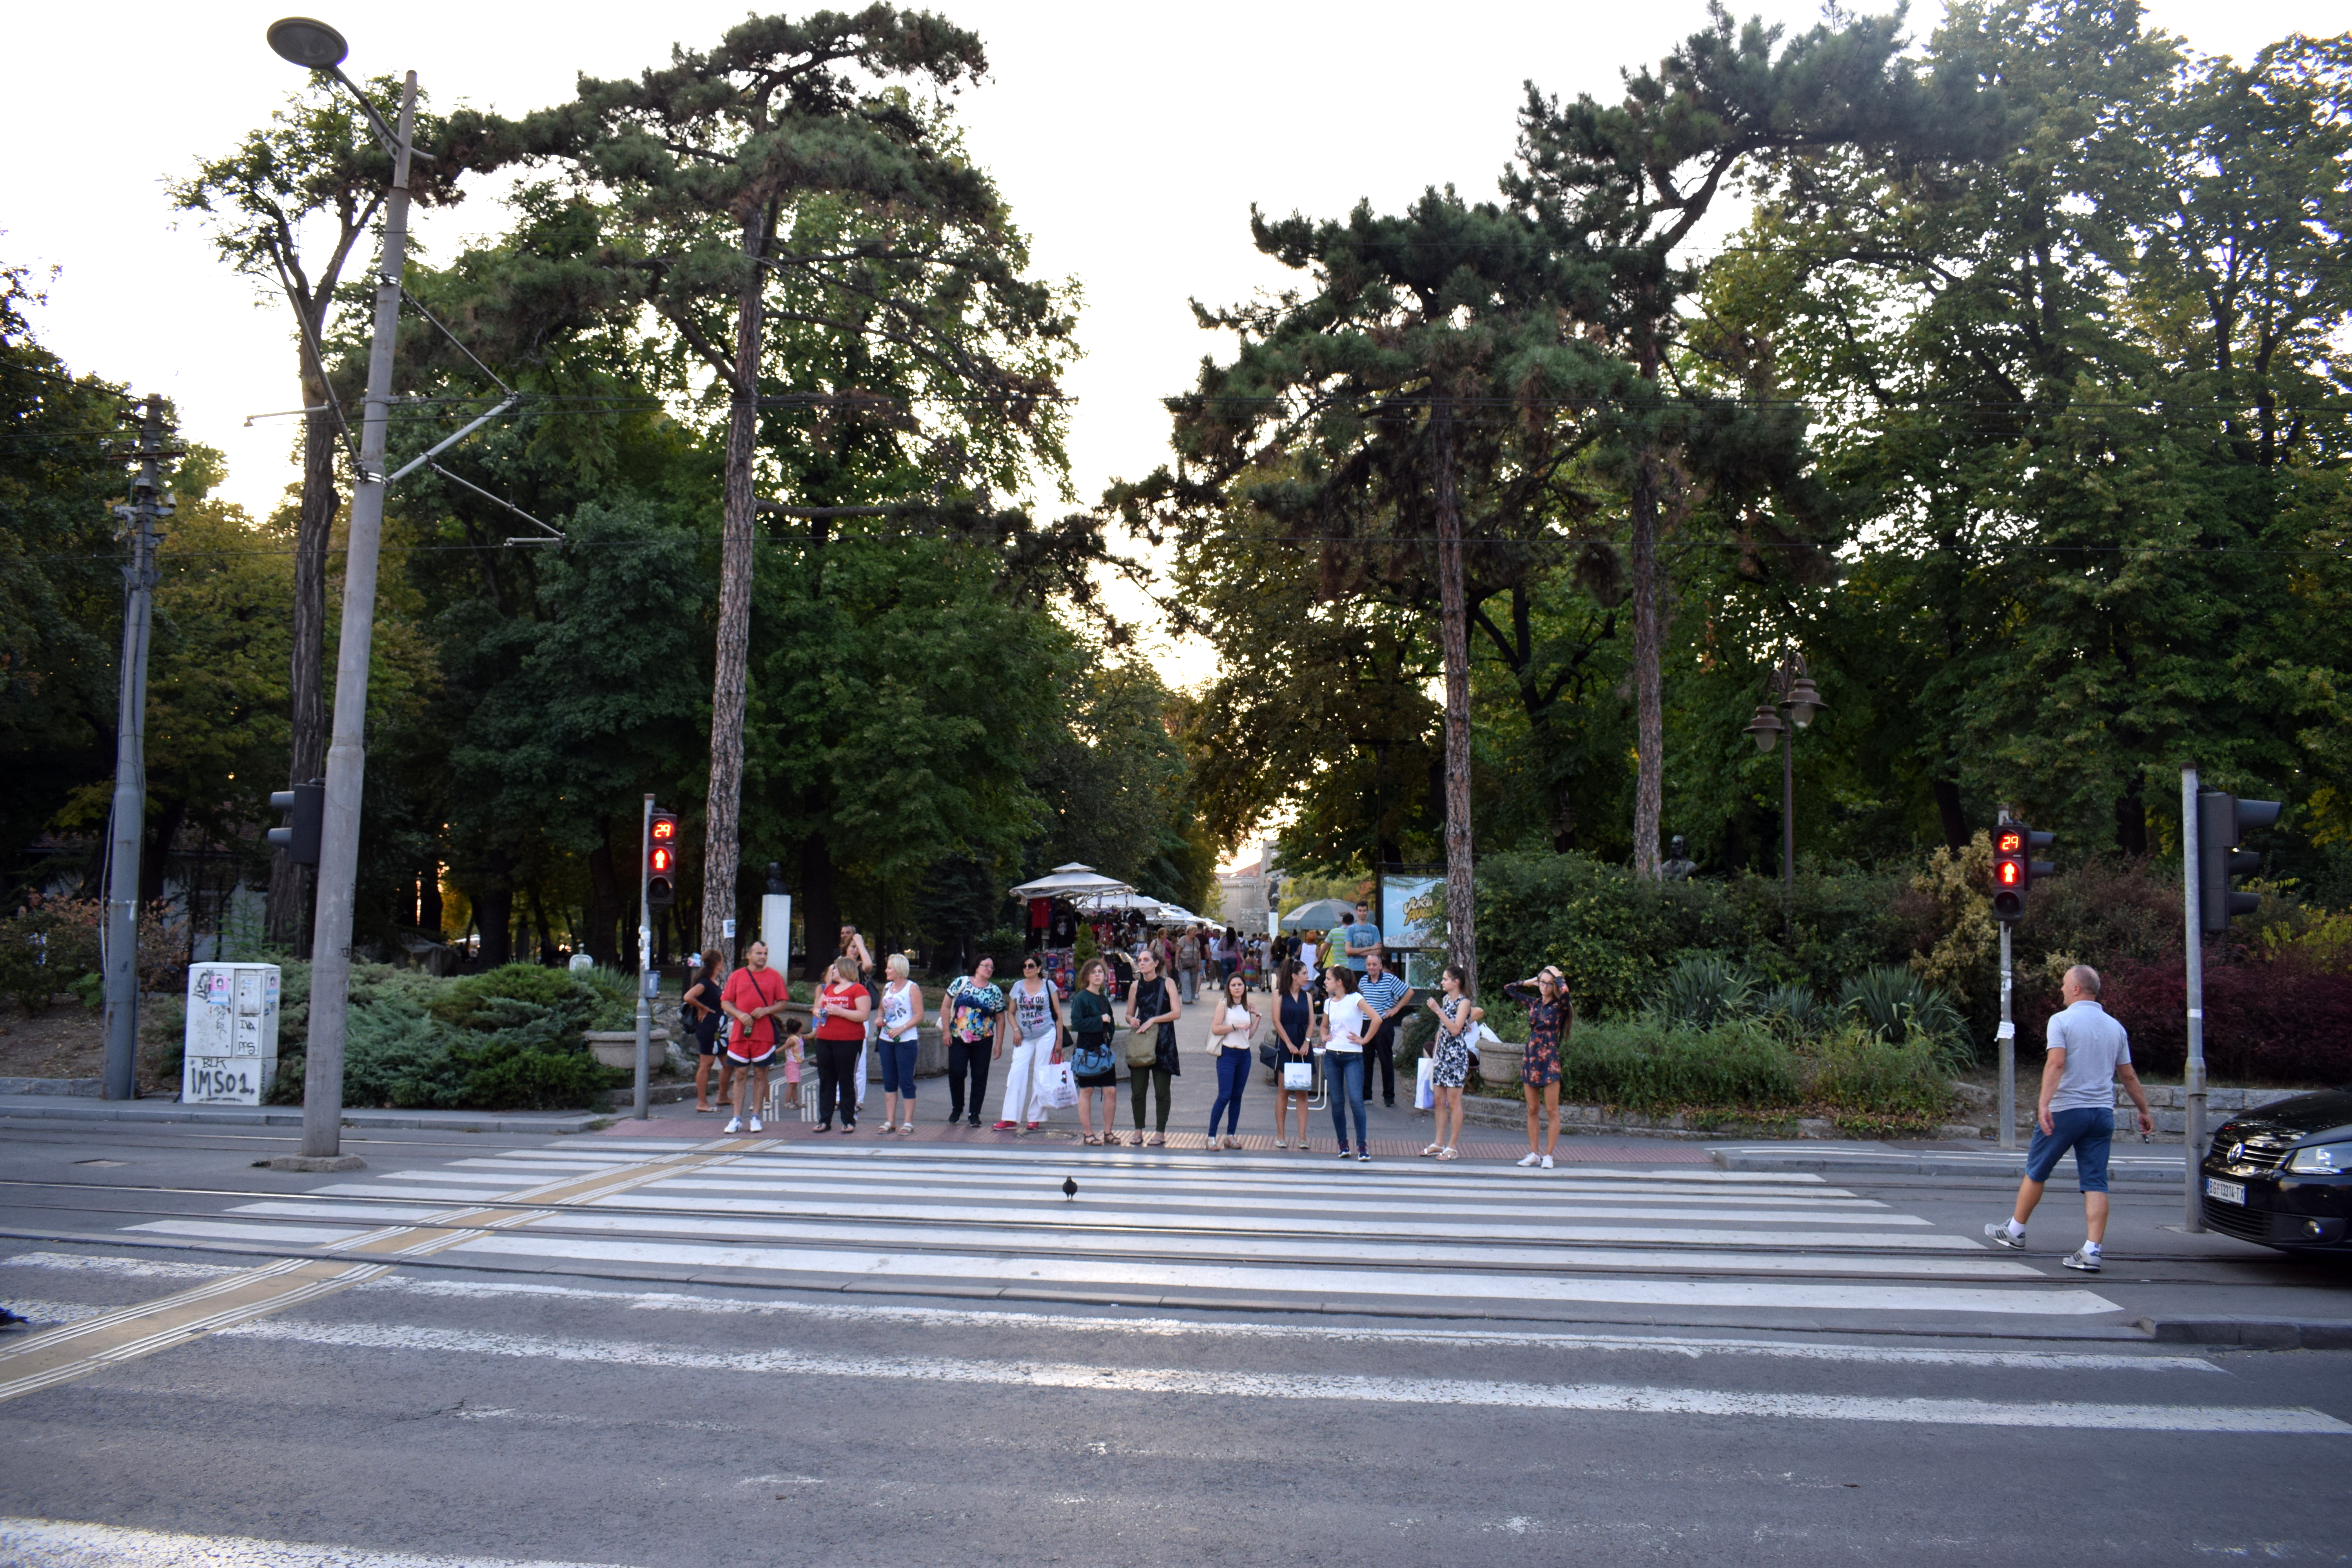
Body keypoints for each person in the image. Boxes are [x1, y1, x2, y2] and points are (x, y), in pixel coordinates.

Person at [1986, 964, 2154, 1272]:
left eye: (2064, 985)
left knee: (2037, 1169)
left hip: (2066, 1111)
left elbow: (2056, 1064)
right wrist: (2143, 1110)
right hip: (2102, 1114)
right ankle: (2092, 1250)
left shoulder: (2061, 1021)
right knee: (2096, 1181)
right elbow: (2128, 1076)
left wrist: (2043, 1104)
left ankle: (2015, 1230)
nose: (2061, 990)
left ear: (2077, 989)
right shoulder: (2116, 1028)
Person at [1504, 964, 1573, 1169]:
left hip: (1549, 1059)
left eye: (1549, 983)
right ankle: (1534, 1153)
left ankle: (1549, 1155)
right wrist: (1529, 982)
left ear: (1555, 985)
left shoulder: (1560, 1005)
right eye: (1542, 982)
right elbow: (1509, 989)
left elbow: (1566, 993)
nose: (1545, 986)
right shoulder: (1534, 1003)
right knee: (1532, 1109)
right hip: (1531, 1058)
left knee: (1552, 1110)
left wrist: (1559, 975)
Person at [718, 940, 789, 1134]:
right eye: (759, 953)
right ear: (748, 955)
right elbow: (725, 1002)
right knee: (740, 1074)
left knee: (761, 1074)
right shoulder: (738, 976)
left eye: (765, 953)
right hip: (741, 1034)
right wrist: (740, 1015)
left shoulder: (774, 977)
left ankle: (756, 1117)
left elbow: (783, 1002)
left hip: (764, 1034)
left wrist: (766, 1010)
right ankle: (736, 1118)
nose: (763, 957)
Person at [994, 953, 1063, 1132]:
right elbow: (1010, 1012)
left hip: (1046, 1033)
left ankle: (1035, 1117)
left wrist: (1059, 1040)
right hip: (1024, 1037)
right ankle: (1009, 1118)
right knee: (1017, 1072)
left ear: (1039, 968)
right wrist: (1016, 1030)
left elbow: (1058, 1013)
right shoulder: (1018, 987)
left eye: (1031, 966)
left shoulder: (1049, 985)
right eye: (1024, 966)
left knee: (1041, 1074)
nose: (1027, 969)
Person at [1421, 965, 1482, 1160]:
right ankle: (1439, 1142)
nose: (1442, 982)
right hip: (1443, 1054)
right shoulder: (1447, 1000)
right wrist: (1436, 1052)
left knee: (1454, 1102)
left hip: (1456, 1055)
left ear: (1456, 982)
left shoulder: (1464, 1003)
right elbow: (1443, 1030)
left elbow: (1456, 1029)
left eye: (1446, 979)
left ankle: (1453, 1146)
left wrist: (1438, 1011)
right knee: (1439, 1101)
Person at [1123, 947, 1183, 1146]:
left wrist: (1154, 1020)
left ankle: (1160, 1132)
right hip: (1142, 1041)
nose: (1142, 963)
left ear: (1156, 963)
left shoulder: (1168, 983)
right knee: (1138, 1091)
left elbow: (1176, 1013)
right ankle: (1138, 1130)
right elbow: (1129, 1014)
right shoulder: (1135, 986)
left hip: (1164, 1043)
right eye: (1139, 960)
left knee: (1161, 1091)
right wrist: (1132, 1020)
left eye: (1146, 960)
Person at [940, 957, 1007, 1127]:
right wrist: (947, 1032)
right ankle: (958, 1108)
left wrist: (999, 1044)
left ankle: (974, 1113)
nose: (989, 969)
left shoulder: (995, 991)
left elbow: (1000, 1019)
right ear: (976, 967)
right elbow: (946, 1007)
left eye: (992, 967)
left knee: (980, 1076)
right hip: (958, 1036)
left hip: (984, 1039)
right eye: (985, 966)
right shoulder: (961, 983)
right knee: (957, 1072)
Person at [810, 955, 871, 1133]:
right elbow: (816, 1007)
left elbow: (863, 1015)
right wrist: (819, 1012)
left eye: (835, 969)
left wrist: (840, 1012)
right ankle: (825, 1120)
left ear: (844, 970)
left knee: (846, 1079)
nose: (832, 972)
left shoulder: (858, 990)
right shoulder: (829, 990)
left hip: (849, 1041)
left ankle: (848, 1120)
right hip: (825, 1039)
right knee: (827, 1080)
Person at [1206, 971, 1261, 1150]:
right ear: (1228, 988)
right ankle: (1211, 1137)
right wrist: (1235, 1026)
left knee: (1237, 1096)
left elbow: (1249, 1035)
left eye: (1240, 985)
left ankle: (1231, 1136)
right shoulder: (1224, 1005)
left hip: (1245, 1056)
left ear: (1244, 987)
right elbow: (1216, 1029)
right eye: (1233, 985)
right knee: (1224, 1096)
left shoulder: (1246, 1007)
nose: (1237, 988)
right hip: (1228, 1055)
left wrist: (1258, 1017)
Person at [1321, 966, 1372, 1162]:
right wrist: (1325, 1035)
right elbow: (1324, 1025)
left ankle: (1362, 1144)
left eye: (1328, 979)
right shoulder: (1328, 1003)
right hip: (1333, 1055)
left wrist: (1364, 1040)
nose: (1325, 982)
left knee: (1356, 1101)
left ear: (1339, 982)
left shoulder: (1355, 999)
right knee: (1336, 1102)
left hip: (1353, 1056)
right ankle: (1343, 1143)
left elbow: (1376, 1018)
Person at [1069, 958, 1121, 1147]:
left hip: (1103, 1051)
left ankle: (1108, 1132)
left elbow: (1112, 1022)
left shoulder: (1103, 998)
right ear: (1087, 976)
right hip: (1087, 1050)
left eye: (1101, 971)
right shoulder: (1081, 998)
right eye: (1094, 972)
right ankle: (1088, 1133)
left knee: (1111, 1091)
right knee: (1087, 1091)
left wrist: (1109, 1038)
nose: (1098, 975)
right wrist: (1100, 1020)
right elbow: (1077, 1023)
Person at [875, 952, 924, 1135]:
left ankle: (908, 1121)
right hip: (886, 1038)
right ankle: (890, 1120)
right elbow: (881, 1009)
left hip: (906, 1040)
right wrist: (879, 1018)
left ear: (899, 970)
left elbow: (919, 1015)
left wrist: (902, 1028)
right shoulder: (887, 987)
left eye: (890, 967)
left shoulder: (912, 988)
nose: (886, 970)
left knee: (906, 1080)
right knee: (889, 1080)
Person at [1356, 948, 1411, 1111]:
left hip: (1383, 1024)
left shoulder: (1389, 979)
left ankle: (1389, 1096)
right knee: (1366, 1061)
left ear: (1380, 966)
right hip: (1366, 1024)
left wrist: (1396, 1009)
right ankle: (1366, 1095)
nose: (1372, 968)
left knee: (1385, 1060)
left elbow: (1409, 993)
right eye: (1369, 965)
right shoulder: (1363, 981)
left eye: (1374, 965)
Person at [1270, 958, 1316, 1150]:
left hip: (1303, 1043)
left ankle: (1303, 1136)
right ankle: (1281, 1135)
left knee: (1303, 1091)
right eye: (1304, 974)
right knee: (1284, 1090)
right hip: (1286, 1043)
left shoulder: (1308, 997)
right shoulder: (1279, 995)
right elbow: (1276, 1020)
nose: (1308, 977)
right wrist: (1288, 1043)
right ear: (1294, 976)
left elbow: (1312, 1021)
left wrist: (1307, 1042)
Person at [681, 956, 726, 1114]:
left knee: (728, 1064)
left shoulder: (714, 983)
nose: (723, 964)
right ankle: (702, 1102)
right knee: (706, 1065)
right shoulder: (705, 983)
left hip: (719, 1031)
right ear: (717, 964)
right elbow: (688, 997)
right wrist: (703, 1007)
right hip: (709, 1029)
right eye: (721, 961)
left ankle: (723, 1096)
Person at [838, 926, 875, 1112]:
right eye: (851, 946)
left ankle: (858, 1099)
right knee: (840, 1059)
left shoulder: (861, 968)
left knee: (859, 1061)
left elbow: (869, 965)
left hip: (859, 1017)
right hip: (839, 1017)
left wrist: (861, 943)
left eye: (857, 947)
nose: (854, 950)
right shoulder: (837, 966)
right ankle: (839, 1098)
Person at [1341, 900, 1381, 975]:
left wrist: (1356, 953)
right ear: (1356, 911)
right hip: (1354, 968)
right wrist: (1371, 948)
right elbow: (1348, 951)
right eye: (1360, 911)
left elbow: (1378, 951)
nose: (1362, 913)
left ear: (1368, 911)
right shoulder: (1351, 929)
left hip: (1370, 969)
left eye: (1364, 911)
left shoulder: (1374, 929)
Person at [1177, 927, 1201, 1004]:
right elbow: (1178, 952)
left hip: (1194, 962)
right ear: (1190, 932)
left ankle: (1190, 996)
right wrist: (1176, 963)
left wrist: (1200, 964)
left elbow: (1199, 953)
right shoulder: (1183, 940)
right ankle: (1186, 999)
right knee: (1186, 979)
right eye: (1195, 931)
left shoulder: (1196, 940)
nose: (1196, 933)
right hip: (1186, 961)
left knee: (1193, 980)